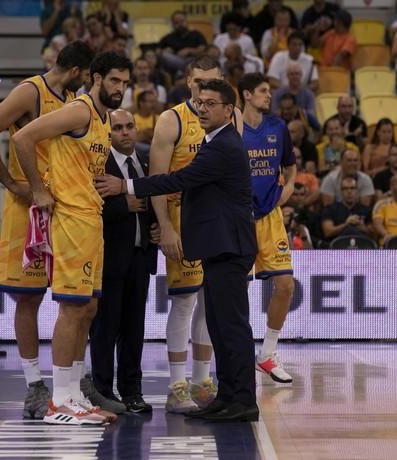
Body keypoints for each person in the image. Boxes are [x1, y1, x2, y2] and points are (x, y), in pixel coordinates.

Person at [96, 79, 259, 423]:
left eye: (212, 103)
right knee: (217, 323)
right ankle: (227, 396)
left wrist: (125, 185)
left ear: (229, 110)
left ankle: (243, 399)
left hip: (230, 249)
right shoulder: (215, 141)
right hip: (219, 248)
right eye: (200, 103)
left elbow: (177, 179)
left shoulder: (224, 145)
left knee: (231, 327)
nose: (202, 109)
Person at [0, 41, 94, 419]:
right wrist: (13, 183)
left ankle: (73, 382)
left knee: (78, 302)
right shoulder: (30, 92)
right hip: (30, 210)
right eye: (87, 75)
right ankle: (33, 386)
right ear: (76, 71)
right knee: (28, 298)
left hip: (65, 209)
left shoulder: (72, 98)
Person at [14, 51, 133, 425]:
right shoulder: (80, 110)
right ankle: (59, 400)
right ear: (96, 78)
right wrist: (38, 189)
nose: (121, 89)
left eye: (125, 83)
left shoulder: (102, 119)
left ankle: (74, 394)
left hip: (91, 219)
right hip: (70, 219)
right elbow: (22, 137)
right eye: (115, 80)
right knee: (71, 308)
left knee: (88, 309)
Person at [143, 56, 242, 414]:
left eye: (211, 82)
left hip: (217, 223)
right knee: (185, 302)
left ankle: (203, 381)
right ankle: (176, 385)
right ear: (188, 81)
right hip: (182, 221)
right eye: (199, 82)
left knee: (210, 302)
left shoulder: (232, 116)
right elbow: (157, 177)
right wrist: (165, 225)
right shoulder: (171, 119)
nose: (204, 89)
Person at [89, 109, 159, 414]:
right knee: (105, 328)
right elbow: (88, 209)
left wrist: (155, 225)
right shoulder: (99, 163)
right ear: (108, 134)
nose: (126, 132)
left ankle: (133, 391)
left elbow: (154, 199)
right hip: (109, 259)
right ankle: (103, 390)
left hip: (141, 257)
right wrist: (123, 205)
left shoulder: (146, 159)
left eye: (130, 126)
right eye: (118, 128)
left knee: (134, 329)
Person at [239, 73, 296, 384]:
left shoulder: (277, 127)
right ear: (246, 94)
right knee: (240, 291)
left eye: (269, 91)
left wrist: (283, 195)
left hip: (270, 217)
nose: (268, 96)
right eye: (262, 91)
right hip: (240, 218)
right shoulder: (233, 129)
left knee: (286, 285)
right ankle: (237, 355)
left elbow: (291, 167)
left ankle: (268, 353)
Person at [321, 175, 373, 241]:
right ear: (341, 191)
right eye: (345, 189)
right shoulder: (330, 209)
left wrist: (362, 228)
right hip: (338, 247)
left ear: (357, 191)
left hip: (361, 247)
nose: (349, 192)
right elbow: (327, 232)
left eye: (352, 188)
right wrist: (346, 224)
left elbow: (373, 234)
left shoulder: (366, 210)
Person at [159, 11, 207, 77]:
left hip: (192, 61)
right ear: (172, 24)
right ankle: (181, 73)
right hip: (175, 62)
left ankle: (181, 73)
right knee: (165, 55)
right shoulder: (168, 37)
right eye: (177, 22)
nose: (180, 24)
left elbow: (203, 49)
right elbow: (158, 52)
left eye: (182, 21)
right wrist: (166, 51)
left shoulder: (196, 34)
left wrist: (189, 50)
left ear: (186, 21)